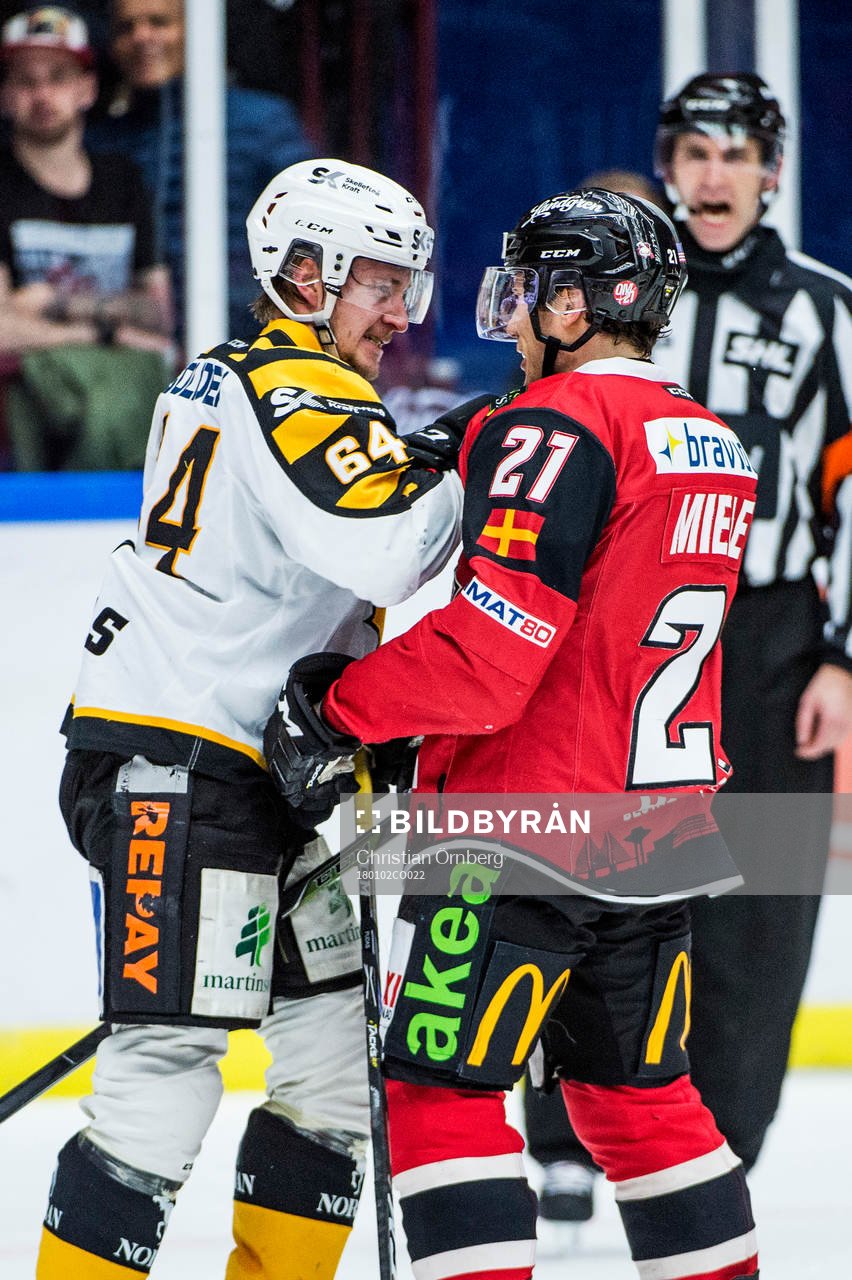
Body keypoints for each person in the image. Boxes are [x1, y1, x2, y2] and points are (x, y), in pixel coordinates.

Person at [268, 187, 762, 1280]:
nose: (521, 315)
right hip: (660, 826)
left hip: (519, 833)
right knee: (637, 1098)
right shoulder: (711, 439)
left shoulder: (556, 422)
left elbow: (491, 657)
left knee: (439, 1091)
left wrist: (339, 707)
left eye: (535, 290)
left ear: (580, 305)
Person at [35, 156, 463, 1280]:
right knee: (164, 1067)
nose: (396, 313)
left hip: (265, 774)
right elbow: (388, 540)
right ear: (306, 273)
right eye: (378, 281)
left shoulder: (254, 376)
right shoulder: (297, 388)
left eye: (405, 286)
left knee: (328, 1068)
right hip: (182, 767)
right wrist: (504, 451)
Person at [523, 71, 852, 1242]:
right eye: (693, 150)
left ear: (772, 170)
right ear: (667, 163)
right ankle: (559, 1138)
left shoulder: (828, 309)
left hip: (767, 640)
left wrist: (843, 659)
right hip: (617, 619)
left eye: (736, 152)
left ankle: (717, 1149)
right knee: (589, 872)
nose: (714, 173)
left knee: (758, 910)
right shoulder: (602, 290)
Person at [0, 4, 173, 469]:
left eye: (57, 77)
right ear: (5, 95)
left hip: (117, 389)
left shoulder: (123, 182)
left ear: (87, 89)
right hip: (32, 409)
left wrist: (53, 305)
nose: (41, 94)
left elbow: (158, 315)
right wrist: (110, 327)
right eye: (25, 80)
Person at [87, 0, 313, 341]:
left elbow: (312, 237)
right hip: (134, 350)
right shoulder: (102, 141)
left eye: (159, 23)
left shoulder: (261, 121)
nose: (142, 37)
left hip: (253, 343)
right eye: (126, 28)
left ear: (198, 31)